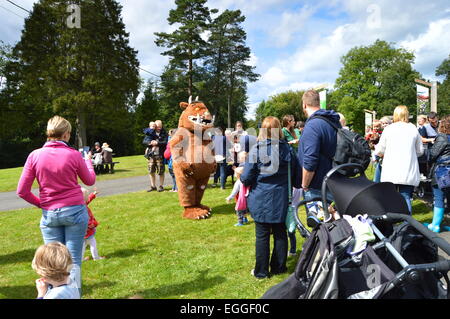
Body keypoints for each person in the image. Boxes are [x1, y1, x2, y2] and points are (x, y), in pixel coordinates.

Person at [17, 116, 95, 281]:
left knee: (53, 265)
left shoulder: (34, 155)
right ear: (66, 134)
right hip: (75, 211)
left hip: (50, 214)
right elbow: (90, 180)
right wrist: (88, 162)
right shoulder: (73, 154)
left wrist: (42, 204)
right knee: (73, 263)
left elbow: (22, 191)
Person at [241, 116, 300, 279]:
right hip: (280, 198)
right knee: (280, 233)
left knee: (263, 235)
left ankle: (261, 271)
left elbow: (246, 177)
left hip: (261, 198)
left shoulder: (257, 150)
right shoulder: (288, 150)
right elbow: (297, 179)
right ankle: (278, 267)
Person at [374, 106, 424, 214]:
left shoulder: (389, 129)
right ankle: (407, 224)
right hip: (408, 169)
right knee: (406, 197)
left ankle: (389, 224)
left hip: (391, 169)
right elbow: (420, 151)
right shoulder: (413, 129)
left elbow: (379, 150)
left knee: (389, 198)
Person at [297, 90, 340, 203]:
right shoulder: (333, 122)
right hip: (335, 182)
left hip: (317, 187)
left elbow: (310, 160)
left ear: (304, 105)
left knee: (319, 220)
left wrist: (304, 184)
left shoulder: (312, 126)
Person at [426, 115, 450, 232]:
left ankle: (435, 225)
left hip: (442, 172)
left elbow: (432, 155)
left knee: (439, 197)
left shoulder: (442, 137)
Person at [81, 188, 105, 261]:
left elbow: (88, 200)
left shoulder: (79, 205)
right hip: (88, 231)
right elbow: (88, 222)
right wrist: (94, 224)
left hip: (81, 232)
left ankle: (81, 259)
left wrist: (93, 194)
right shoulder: (83, 209)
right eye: (87, 197)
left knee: (82, 246)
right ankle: (96, 258)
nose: (88, 198)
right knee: (93, 244)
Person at [146, 120, 168, 192]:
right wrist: (150, 142)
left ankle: (161, 186)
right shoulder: (150, 133)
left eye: (160, 127)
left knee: (161, 171)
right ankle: (153, 186)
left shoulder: (164, 133)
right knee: (151, 171)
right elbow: (144, 141)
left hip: (160, 155)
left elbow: (165, 142)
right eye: (157, 127)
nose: (159, 128)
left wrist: (157, 143)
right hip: (151, 155)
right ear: (155, 126)